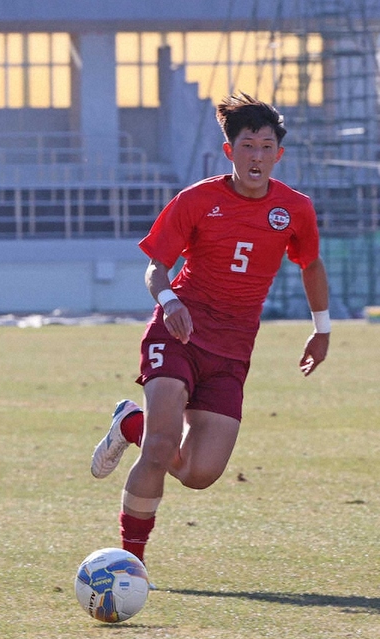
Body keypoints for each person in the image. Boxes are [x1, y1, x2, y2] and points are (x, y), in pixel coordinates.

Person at [90, 92, 330, 571]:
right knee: (160, 449)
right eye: (247, 146)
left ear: (278, 155)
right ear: (230, 152)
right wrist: (170, 301)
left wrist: (321, 329)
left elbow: (310, 264)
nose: (256, 156)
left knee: (200, 474)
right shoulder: (198, 200)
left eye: (266, 146)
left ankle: (129, 424)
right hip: (177, 335)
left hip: (233, 352)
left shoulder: (294, 209)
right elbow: (156, 269)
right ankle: (128, 567)